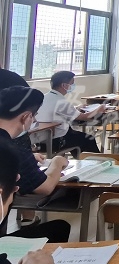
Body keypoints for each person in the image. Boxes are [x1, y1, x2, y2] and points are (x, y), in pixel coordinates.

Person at [0, 87, 70, 242]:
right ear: (26, 117)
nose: (35, 120)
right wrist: (57, 162)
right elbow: (45, 187)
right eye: (34, 116)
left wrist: (29, 157)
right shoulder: (13, 150)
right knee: (60, 228)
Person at [32, 71, 103, 155]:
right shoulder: (61, 101)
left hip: (39, 140)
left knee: (77, 136)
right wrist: (99, 109)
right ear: (64, 85)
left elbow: (59, 110)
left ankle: (79, 158)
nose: (73, 86)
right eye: (72, 83)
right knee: (88, 139)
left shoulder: (44, 97)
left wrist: (76, 108)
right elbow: (85, 117)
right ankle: (95, 160)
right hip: (57, 140)